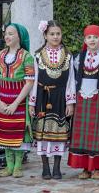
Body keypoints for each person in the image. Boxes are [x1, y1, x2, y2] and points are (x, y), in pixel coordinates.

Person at [68, 25, 99, 179]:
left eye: (95, 37)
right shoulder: (78, 58)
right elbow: (71, 80)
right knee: (82, 135)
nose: (92, 40)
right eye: (89, 37)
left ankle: (98, 168)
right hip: (82, 100)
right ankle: (85, 168)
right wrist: (71, 101)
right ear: (85, 40)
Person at [29, 20, 76, 180]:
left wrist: (70, 102)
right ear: (45, 35)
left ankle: (57, 167)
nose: (55, 37)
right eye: (52, 34)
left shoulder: (69, 57)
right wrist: (32, 102)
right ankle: (45, 167)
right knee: (42, 132)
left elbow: (71, 81)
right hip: (43, 97)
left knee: (60, 132)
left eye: (58, 34)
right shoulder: (37, 56)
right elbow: (34, 81)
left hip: (61, 98)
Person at [0, 23, 35, 178]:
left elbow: (29, 82)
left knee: (19, 133)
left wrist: (16, 103)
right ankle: (9, 166)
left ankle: (18, 167)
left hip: (19, 101)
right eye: (6, 34)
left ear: (19, 37)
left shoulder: (27, 56)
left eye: (11, 34)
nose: (7, 37)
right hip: (2, 100)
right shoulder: (0, 55)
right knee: (5, 133)